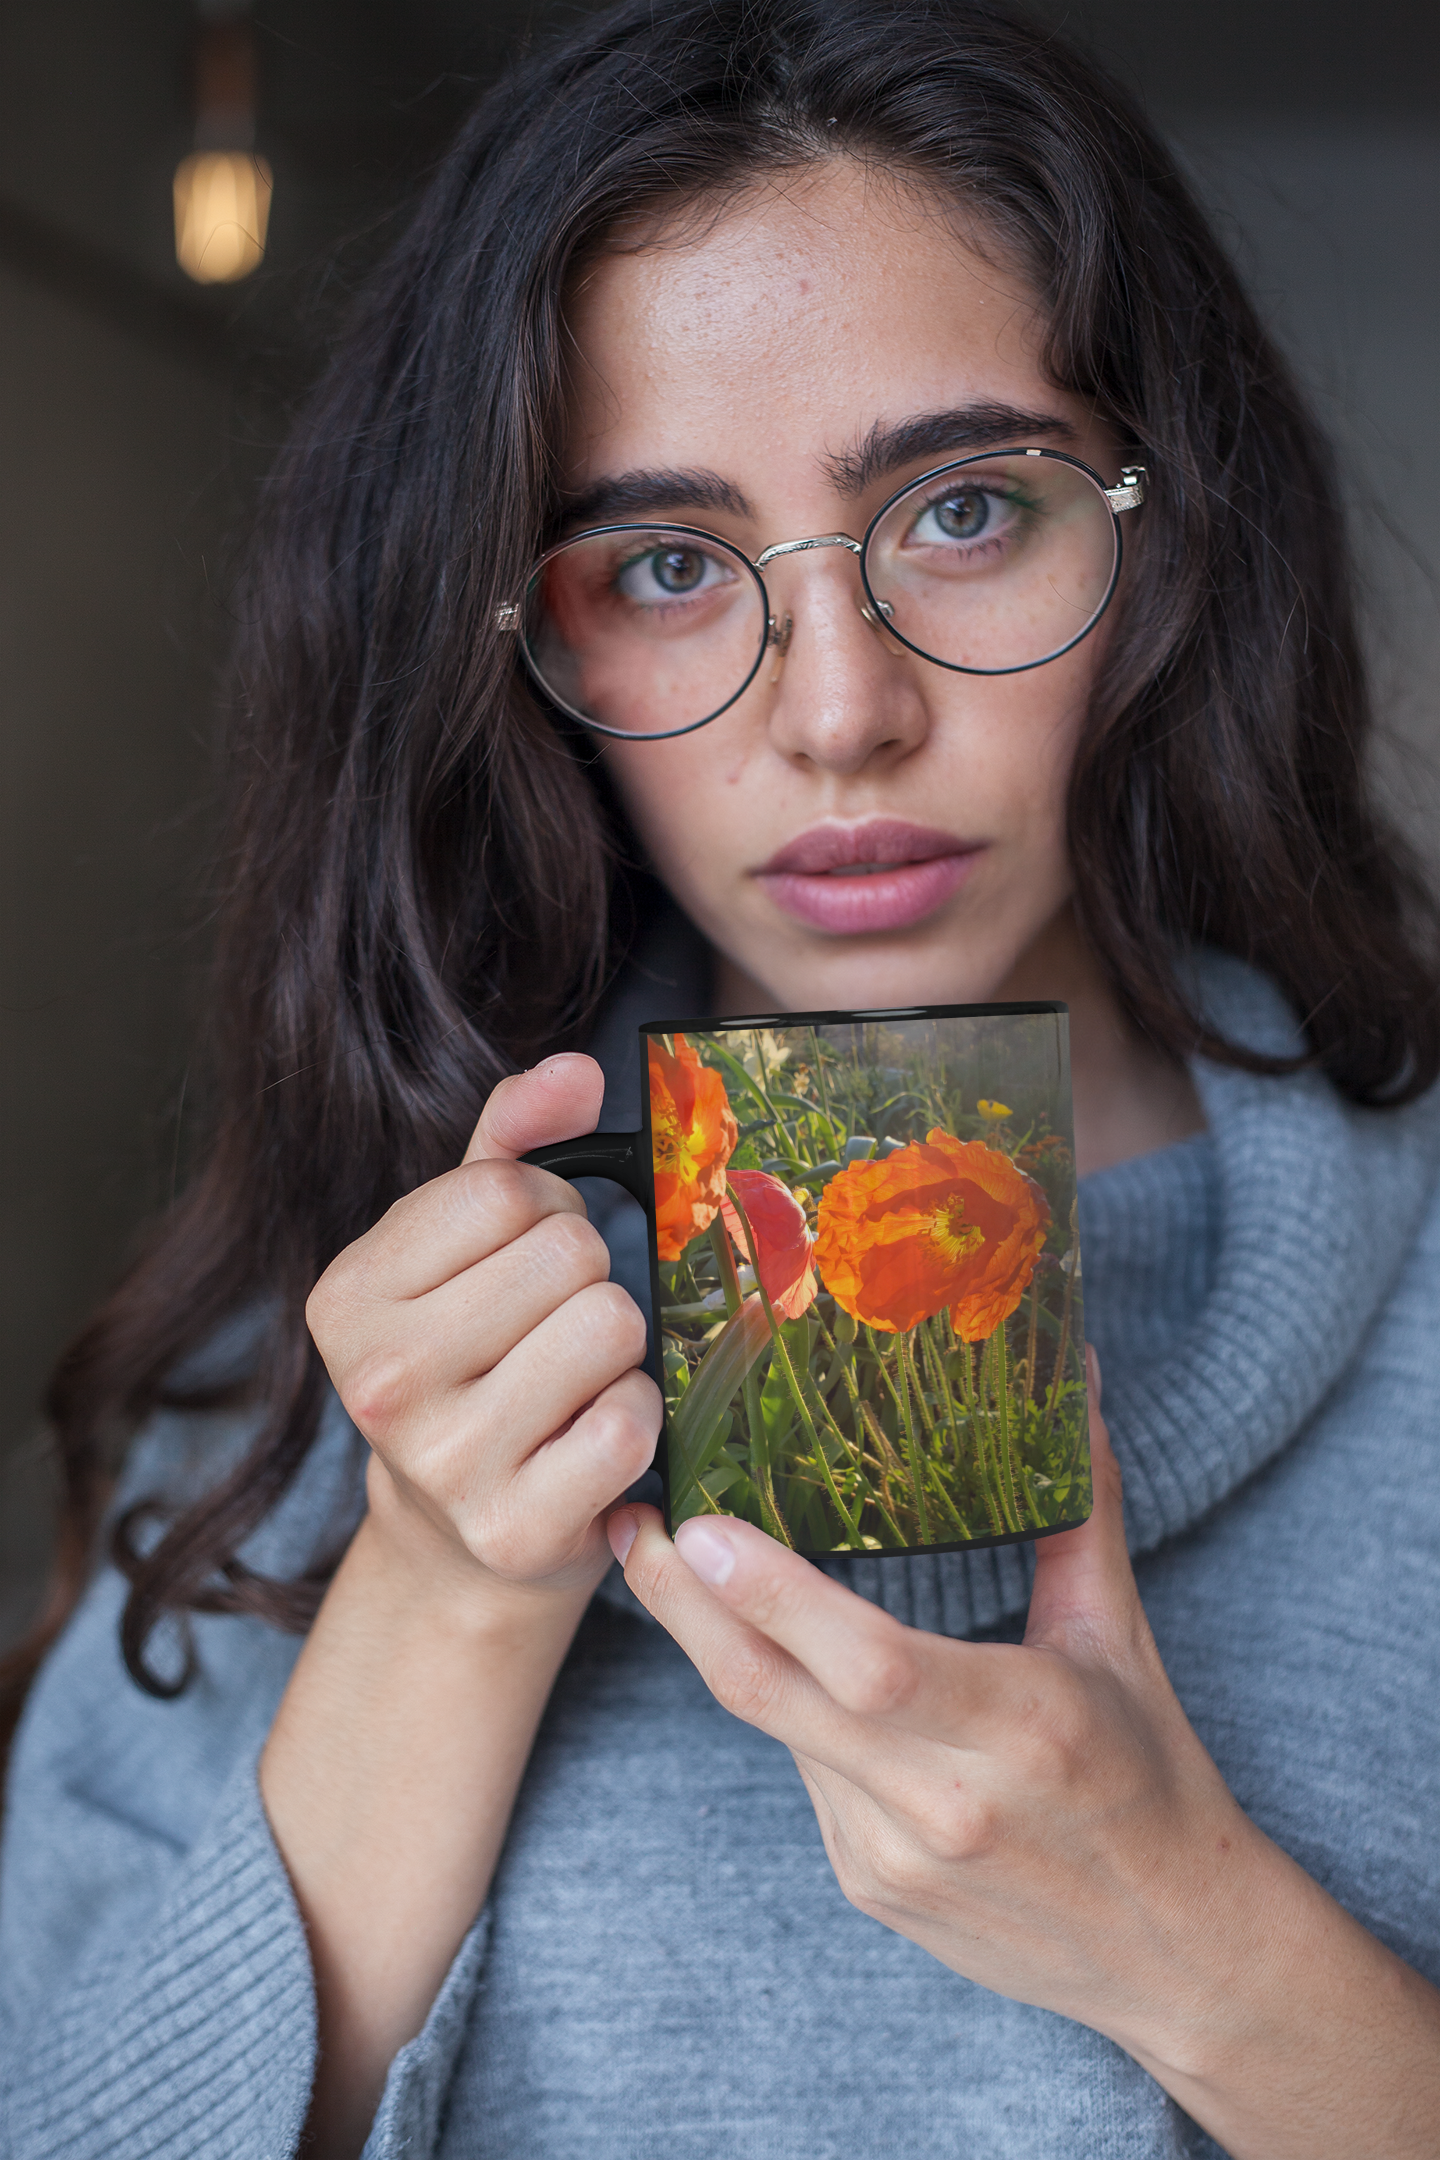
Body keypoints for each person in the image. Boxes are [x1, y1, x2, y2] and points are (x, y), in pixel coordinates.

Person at [3, 2, 1439, 2155]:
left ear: (1166, 536)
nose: (839, 711)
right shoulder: (319, 1356)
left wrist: (1207, 1952)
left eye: (965, 511)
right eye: (667, 569)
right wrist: (439, 1599)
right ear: (520, 647)